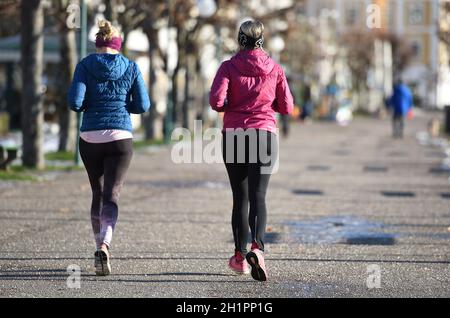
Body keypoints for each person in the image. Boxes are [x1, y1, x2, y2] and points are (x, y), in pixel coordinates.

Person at [209, 20, 294, 281]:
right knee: (259, 195)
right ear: (262, 40)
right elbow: (287, 106)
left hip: (235, 134)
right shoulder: (275, 69)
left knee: (240, 197)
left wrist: (232, 103)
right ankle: (257, 248)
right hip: (264, 134)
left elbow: (216, 101)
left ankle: (239, 256)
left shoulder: (227, 67)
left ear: (239, 40)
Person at [68, 20, 150, 276]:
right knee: (112, 195)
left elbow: (75, 102)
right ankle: (105, 244)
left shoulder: (84, 65)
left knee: (97, 192)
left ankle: (97, 246)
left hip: (90, 137)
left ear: (98, 44)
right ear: (118, 45)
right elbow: (143, 105)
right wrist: (125, 106)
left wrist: (89, 105)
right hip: (120, 138)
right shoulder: (132, 66)